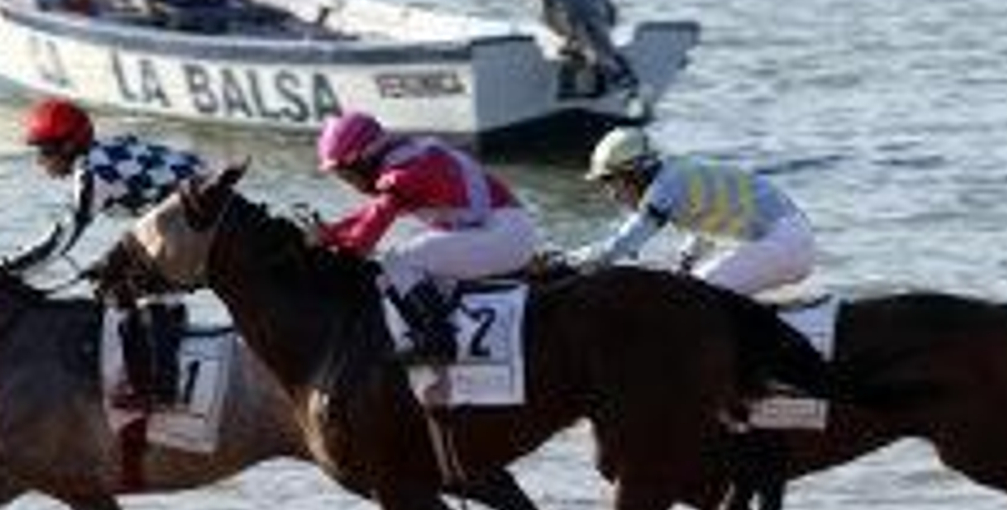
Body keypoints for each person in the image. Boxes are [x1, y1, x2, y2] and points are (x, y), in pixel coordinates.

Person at [6, 97, 206, 409]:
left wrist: (10, 267)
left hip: (197, 211)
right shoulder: (101, 153)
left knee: (127, 288)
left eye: (45, 151)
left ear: (69, 146)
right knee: (115, 274)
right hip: (190, 204)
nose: (40, 162)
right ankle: (154, 368)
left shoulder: (93, 174)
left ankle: (162, 391)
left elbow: (62, 239)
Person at [315, 111, 540, 364]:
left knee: (397, 260)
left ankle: (439, 340)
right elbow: (370, 214)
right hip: (498, 229)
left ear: (364, 159)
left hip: (503, 235)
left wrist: (329, 248)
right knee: (405, 256)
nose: (348, 183)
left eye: (346, 175)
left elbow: (367, 235)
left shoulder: (405, 172)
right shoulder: (406, 157)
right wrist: (331, 232)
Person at [573, 127, 816, 297]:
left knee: (690, 298)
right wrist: (685, 263)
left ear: (634, 175)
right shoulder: (675, 176)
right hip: (785, 238)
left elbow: (619, 247)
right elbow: (703, 225)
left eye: (612, 183)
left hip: (780, 242)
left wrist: (564, 260)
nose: (612, 195)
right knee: (688, 289)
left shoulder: (664, 188)